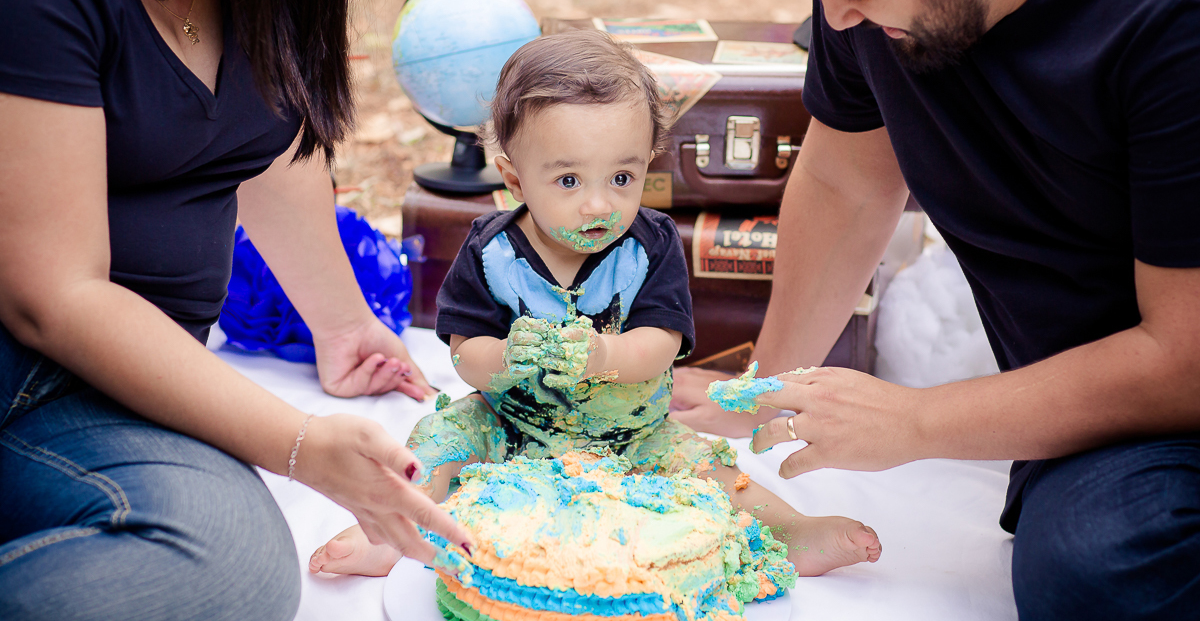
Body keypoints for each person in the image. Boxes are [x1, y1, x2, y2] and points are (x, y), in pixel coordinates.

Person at [669, 0, 1200, 618]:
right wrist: (763, 389)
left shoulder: (1175, 2)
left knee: (1106, 571)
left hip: (1173, 386)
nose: (837, 22)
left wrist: (917, 421)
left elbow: (1186, 360)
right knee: (1089, 560)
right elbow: (847, 180)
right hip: (1097, 411)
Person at [0, 0, 471, 619]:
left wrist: (343, 323)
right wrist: (300, 446)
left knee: (228, 565)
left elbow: (263, 133)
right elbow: (53, 296)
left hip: (116, 383)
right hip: (27, 367)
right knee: (223, 572)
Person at [308, 28, 883, 579]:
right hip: (510, 422)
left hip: (631, 432)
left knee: (709, 467)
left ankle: (790, 530)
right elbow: (464, 354)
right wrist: (507, 359)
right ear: (514, 178)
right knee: (438, 441)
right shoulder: (490, 251)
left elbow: (660, 345)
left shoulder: (650, 246)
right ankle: (390, 530)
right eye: (568, 182)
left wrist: (605, 354)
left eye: (622, 177)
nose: (598, 205)